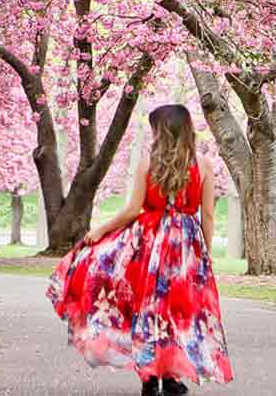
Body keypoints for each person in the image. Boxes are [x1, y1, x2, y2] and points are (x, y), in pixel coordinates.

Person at [47, 104, 233, 396]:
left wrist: (103, 229)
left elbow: (133, 208)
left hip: (151, 242)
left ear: (161, 130)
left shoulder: (149, 162)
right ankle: (170, 378)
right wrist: (204, 253)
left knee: (150, 305)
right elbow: (207, 215)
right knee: (179, 308)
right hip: (186, 244)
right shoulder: (204, 164)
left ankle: (151, 378)